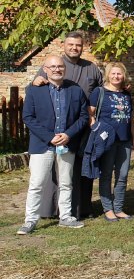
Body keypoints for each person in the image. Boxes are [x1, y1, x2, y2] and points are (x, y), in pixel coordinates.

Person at [32, 31, 103, 219]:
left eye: (78, 45)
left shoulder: (91, 68)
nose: (74, 48)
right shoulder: (55, 64)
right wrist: (35, 81)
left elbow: (103, 90)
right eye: (71, 44)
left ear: (82, 47)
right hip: (55, 129)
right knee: (54, 173)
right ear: (64, 45)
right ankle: (51, 210)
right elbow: (37, 88)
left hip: (82, 127)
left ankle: (80, 209)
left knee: (81, 170)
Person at [18, 55, 88, 234]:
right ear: (45, 69)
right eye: (53, 66)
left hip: (66, 144)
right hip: (42, 145)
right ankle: (30, 220)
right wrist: (49, 137)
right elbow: (28, 117)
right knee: (37, 183)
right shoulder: (34, 90)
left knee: (66, 183)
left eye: (60, 66)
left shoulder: (75, 90)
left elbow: (83, 116)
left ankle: (65, 217)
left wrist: (68, 134)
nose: (57, 69)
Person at [88, 62, 134, 222]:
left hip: (124, 141)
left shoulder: (126, 94)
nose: (116, 76)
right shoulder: (99, 92)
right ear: (108, 75)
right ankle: (108, 209)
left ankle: (119, 208)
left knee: (122, 175)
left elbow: (130, 118)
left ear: (124, 76)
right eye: (113, 73)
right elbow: (90, 114)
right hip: (107, 141)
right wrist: (96, 129)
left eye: (119, 74)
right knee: (106, 175)